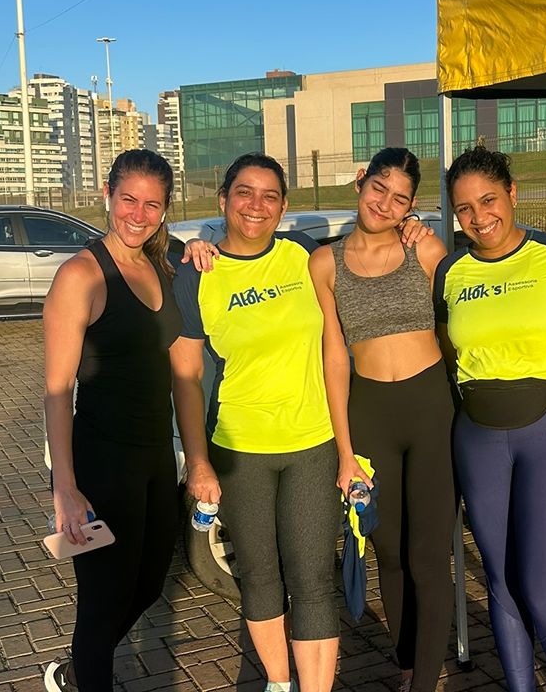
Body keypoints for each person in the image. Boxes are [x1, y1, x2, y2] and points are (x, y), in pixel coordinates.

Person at [171, 153, 340, 692]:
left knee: (313, 580)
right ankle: (278, 683)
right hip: (239, 447)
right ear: (223, 200)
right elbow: (186, 377)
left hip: (313, 442)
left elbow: (368, 258)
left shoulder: (304, 255)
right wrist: (199, 462)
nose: (256, 205)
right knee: (260, 576)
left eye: (270, 196)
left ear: (283, 207)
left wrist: (410, 227)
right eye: (244, 192)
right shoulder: (196, 273)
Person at [434, 146, 546, 692]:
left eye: (488, 200)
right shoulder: (451, 270)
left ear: (512, 193)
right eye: (464, 208)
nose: (478, 217)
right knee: (500, 585)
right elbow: (448, 348)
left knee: (543, 591)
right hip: (478, 436)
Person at [308, 148, 455, 692]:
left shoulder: (426, 248)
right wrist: (345, 453)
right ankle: (409, 669)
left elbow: (459, 326)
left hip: (432, 409)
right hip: (370, 414)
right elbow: (333, 356)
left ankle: (424, 686)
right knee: (389, 554)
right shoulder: (324, 263)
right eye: (378, 188)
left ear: (411, 206)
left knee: (428, 557)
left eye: (400, 199)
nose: (385, 204)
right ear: (359, 182)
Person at [42, 149, 183, 691]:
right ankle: (85, 670)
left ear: (165, 209)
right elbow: (58, 392)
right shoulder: (81, 275)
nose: (138, 215)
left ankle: (78, 669)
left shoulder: (159, 263)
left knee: (148, 586)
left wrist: (201, 247)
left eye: (152, 205)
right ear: (107, 194)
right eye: (128, 200)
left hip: (155, 453)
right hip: (103, 460)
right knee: (103, 604)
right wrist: (65, 488)